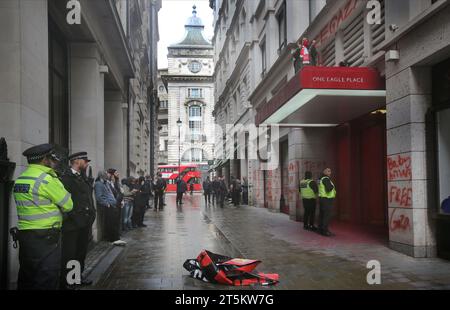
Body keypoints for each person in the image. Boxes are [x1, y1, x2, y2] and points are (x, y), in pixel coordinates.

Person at [12, 143, 73, 290]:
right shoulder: (47, 180)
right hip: (47, 238)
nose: (53, 161)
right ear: (44, 159)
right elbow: (68, 204)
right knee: (47, 277)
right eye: (51, 158)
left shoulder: (21, 179)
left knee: (27, 276)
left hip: (26, 236)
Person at [60, 152, 96, 289]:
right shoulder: (65, 178)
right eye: (85, 161)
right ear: (76, 161)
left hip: (84, 223)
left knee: (80, 253)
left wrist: (91, 215)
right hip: (72, 224)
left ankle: (76, 278)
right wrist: (74, 217)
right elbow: (64, 202)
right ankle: (68, 281)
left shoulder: (83, 177)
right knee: (70, 254)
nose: (87, 163)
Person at [94, 171, 126, 246]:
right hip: (109, 206)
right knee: (110, 223)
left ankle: (116, 238)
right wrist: (107, 204)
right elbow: (99, 197)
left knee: (114, 223)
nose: (108, 176)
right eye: (106, 174)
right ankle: (113, 239)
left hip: (113, 205)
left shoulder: (106, 183)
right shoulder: (98, 184)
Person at [318, 168, 337, 237]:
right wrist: (332, 185)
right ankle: (325, 231)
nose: (330, 172)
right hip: (327, 199)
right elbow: (329, 189)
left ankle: (320, 230)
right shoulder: (326, 179)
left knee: (322, 215)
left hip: (322, 198)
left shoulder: (320, 179)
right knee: (327, 215)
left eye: (330, 171)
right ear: (324, 172)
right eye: (328, 171)